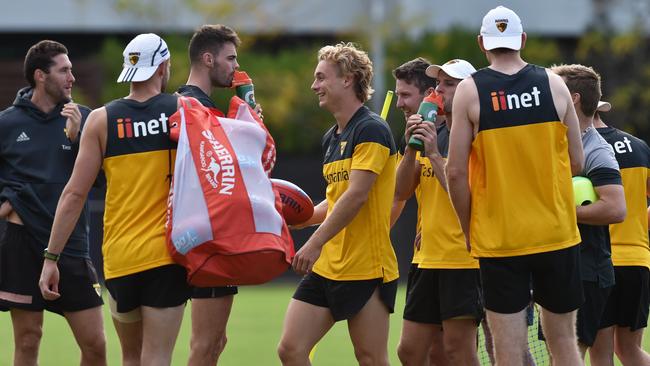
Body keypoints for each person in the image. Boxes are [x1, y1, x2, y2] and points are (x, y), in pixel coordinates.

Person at [38, 33, 191, 366]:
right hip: (167, 256)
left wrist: (51, 257)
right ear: (163, 66)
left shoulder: (100, 119)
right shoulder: (183, 110)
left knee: (130, 358)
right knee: (157, 357)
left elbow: (75, 193)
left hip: (119, 260)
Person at [446, 6, 585, 366]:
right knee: (565, 346)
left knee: (507, 353)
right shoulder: (555, 84)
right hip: (556, 232)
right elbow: (578, 162)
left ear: (482, 43)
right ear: (522, 40)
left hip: (500, 238)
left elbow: (456, 172)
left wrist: (468, 228)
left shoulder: (470, 91)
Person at [277, 42, 398, 366]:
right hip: (329, 266)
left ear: (347, 79)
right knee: (290, 349)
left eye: (321, 77)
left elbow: (356, 196)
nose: (314, 85)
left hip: (366, 267)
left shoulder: (371, 129)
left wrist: (313, 243)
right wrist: (295, 219)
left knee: (371, 358)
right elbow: (335, 200)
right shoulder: (332, 137)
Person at [0, 40, 106, 366]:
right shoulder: (6, 124)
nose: (72, 77)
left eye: (72, 69)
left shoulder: (86, 120)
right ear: (40, 76)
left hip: (71, 244)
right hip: (21, 245)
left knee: (95, 345)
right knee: (28, 340)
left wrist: (76, 141)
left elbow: (102, 183)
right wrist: (7, 204)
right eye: (64, 70)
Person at [394, 58, 482, 365]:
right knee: (410, 350)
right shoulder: (435, 130)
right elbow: (401, 191)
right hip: (427, 257)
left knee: (459, 351)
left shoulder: (476, 135)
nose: (439, 89)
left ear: (469, 90)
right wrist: (411, 148)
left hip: (463, 258)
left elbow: (466, 194)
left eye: (449, 84)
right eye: (439, 83)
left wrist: (432, 154)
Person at [176, 24, 243, 366]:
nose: (235, 67)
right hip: (202, 240)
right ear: (207, 58)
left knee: (215, 342)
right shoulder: (190, 107)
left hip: (199, 234)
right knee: (206, 345)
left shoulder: (192, 105)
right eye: (230, 58)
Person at [550, 64, 626, 364]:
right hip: (560, 263)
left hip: (586, 270)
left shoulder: (596, 148)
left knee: (569, 355)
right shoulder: (554, 140)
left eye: (554, 90)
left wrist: (559, 211)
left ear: (574, 99)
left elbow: (615, 208)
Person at [591, 100, 650, 366]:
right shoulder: (638, 147)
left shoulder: (579, 149)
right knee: (629, 351)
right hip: (637, 261)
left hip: (597, 265)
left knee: (601, 356)